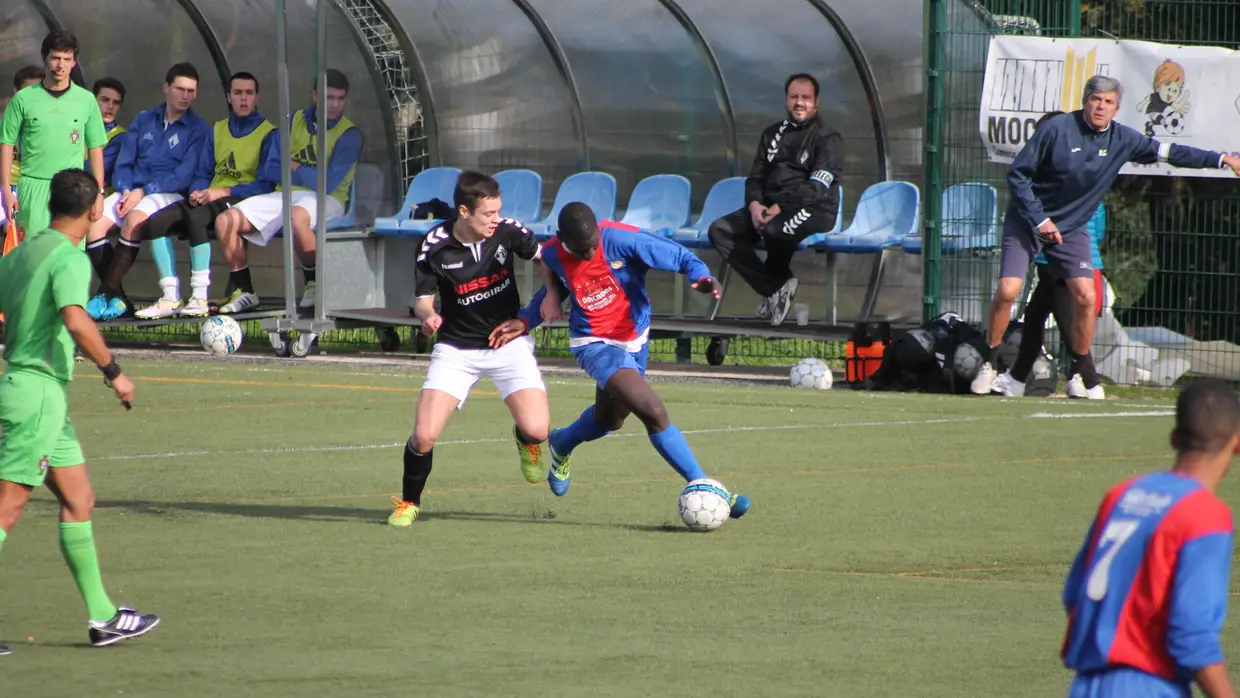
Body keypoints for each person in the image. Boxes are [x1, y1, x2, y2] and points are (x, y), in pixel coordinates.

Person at [972, 75, 1240, 397]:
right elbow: (1017, 175)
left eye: (1108, 102)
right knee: (1008, 290)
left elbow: (1168, 152)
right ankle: (989, 363)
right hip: (1028, 221)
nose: (1101, 106)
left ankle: (1079, 374)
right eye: (1095, 100)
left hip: (1069, 230)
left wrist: (1221, 159)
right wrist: (1040, 219)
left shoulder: (1122, 140)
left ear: (1116, 108)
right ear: (1086, 101)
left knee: (1087, 297)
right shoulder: (1055, 130)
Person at [503, 202, 750, 517]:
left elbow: (678, 255)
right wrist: (526, 320)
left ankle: (562, 443)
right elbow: (552, 275)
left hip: (634, 339)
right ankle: (711, 490)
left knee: (610, 421)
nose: (590, 255)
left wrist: (701, 275)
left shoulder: (622, 239)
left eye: (593, 247)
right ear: (563, 240)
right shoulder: (553, 252)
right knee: (654, 412)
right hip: (594, 343)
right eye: (581, 251)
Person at [0, 169, 159, 654]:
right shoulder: (69, 259)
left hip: (33, 390)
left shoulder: (19, 253)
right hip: (38, 393)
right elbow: (75, 316)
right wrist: (115, 372)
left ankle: (104, 617)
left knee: (79, 498)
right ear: (93, 212)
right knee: (8, 506)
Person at [387, 171, 549, 527]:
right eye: (488, 213)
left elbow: (545, 260)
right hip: (457, 348)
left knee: (538, 429)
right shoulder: (435, 245)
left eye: (498, 211)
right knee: (424, 435)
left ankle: (526, 441)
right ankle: (409, 503)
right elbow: (423, 301)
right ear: (464, 211)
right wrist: (429, 317)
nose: (496, 219)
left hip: (508, 343)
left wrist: (541, 304)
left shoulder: (510, 232)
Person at [1061, 378, 1239, 698]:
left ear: (1174, 438)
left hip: (1087, 686)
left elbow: (1075, 592)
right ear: (1236, 444)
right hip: (1149, 685)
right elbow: (1192, 635)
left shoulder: (1122, 495)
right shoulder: (1205, 515)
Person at [103, 72, 276, 319]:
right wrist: (198, 190)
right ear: (228, 97)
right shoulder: (217, 130)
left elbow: (266, 184)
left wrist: (224, 191)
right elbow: (203, 170)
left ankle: (200, 296)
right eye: (237, 93)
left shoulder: (269, 133)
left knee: (196, 217)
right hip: (212, 196)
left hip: (244, 198)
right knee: (156, 222)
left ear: (257, 97)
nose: (243, 99)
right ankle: (170, 297)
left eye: (249, 93)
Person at [214, 69, 361, 314]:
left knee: (296, 216)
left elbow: (328, 182)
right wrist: (304, 173)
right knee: (225, 220)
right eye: (329, 97)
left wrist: (294, 166)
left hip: (329, 199)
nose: (335, 104)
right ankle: (245, 291)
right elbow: (271, 169)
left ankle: (314, 283)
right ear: (315, 95)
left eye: (340, 98)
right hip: (284, 194)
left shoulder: (350, 134)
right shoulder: (292, 121)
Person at [707, 72, 844, 326]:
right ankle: (774, 287)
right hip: (769, 207)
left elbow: (816, 187)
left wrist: (780, 207)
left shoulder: (828, 138)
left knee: (774, 229)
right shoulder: (772, 134)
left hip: (813, 208)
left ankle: (774, 286)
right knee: (719, 230)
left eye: (805, 97)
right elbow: (755, 178)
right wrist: (755, 205)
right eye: (794, 97)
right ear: (786, 100)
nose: (799, 103)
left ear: (817, 102)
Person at [993, 111, 1108, 398]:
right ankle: (1020, 378)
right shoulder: (1048, 176)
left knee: (1067, 322)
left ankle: (1087, 381)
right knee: (1035, 317)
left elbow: (1092, 227)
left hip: (1068, 264)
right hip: (1055, 263)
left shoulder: (1068, 182)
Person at [85, 62, 208, 321]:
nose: (185, 96)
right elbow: (125, 161)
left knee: (134, 220)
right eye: (180, 89)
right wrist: (126, 189)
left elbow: (183, 175)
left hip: (168, 194)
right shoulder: (144, 119)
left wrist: (143, 192)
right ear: (166, 88)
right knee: (93, 225)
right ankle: (120, 299)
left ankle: (104, 294)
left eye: (191, 91)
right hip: (133, 190)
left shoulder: (199, 129)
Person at [0, 31, 107, 244]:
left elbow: (96, 148)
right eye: (56, 57)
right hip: (33, 188)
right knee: (33, 260)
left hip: (73, 190)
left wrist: (99, 193)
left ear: (74, 62)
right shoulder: (23, 99)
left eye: (67, 59)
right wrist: (6, 191)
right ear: (45, 58)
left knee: (67, 261)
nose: (61, 65)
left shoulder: (86, 100)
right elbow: (7, 144)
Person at [90, 77, 128, 190]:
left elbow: (94, 169)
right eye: (105, 100)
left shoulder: (121, 137)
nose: (110, 107)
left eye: (116, 103)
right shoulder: (77, 126)